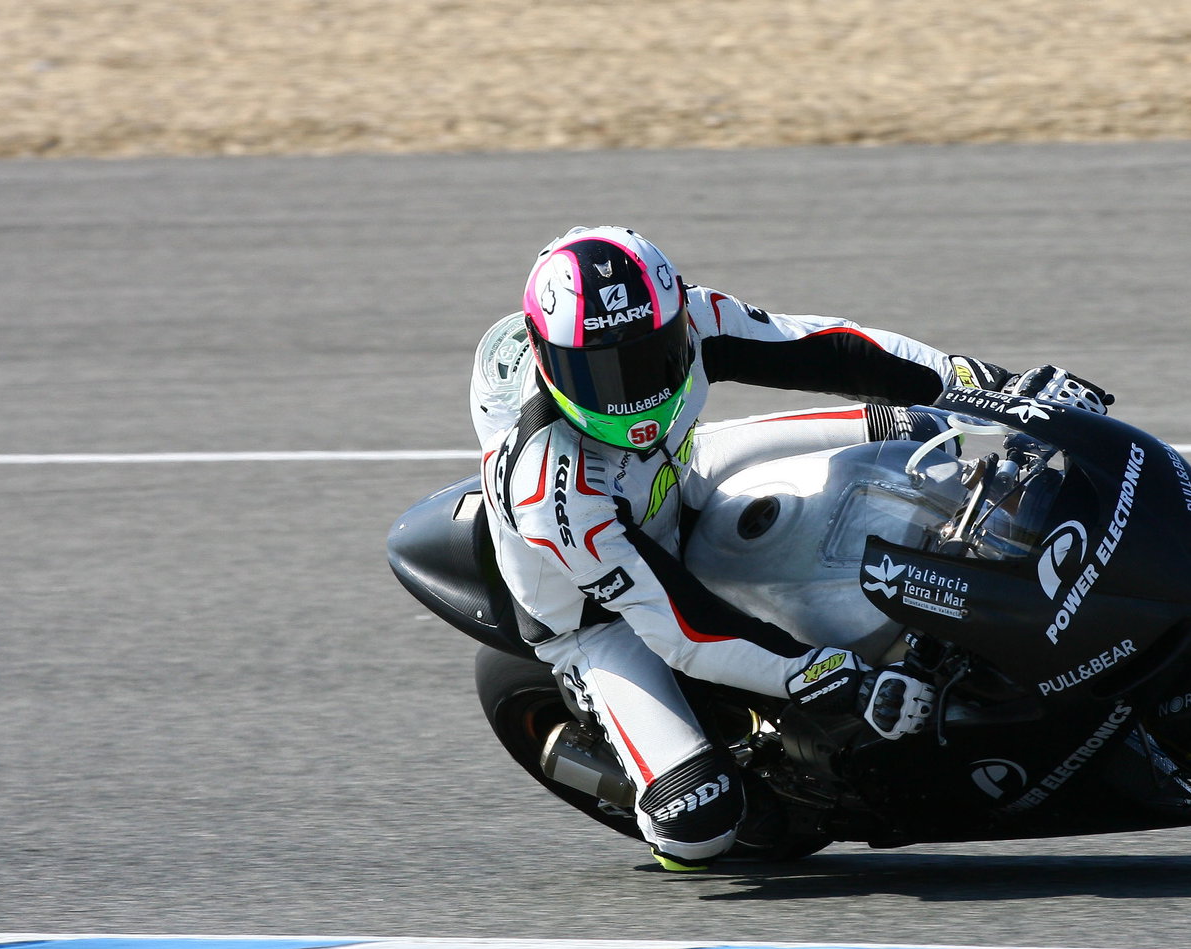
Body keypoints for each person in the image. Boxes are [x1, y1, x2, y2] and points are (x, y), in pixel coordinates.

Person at [470, 225, 1109, 871]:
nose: (630, 392)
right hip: (602, 615)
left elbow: (829, 348)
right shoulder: (551, 489)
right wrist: (826, 674)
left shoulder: (695, 319)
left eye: (647, 358)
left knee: (920, 425)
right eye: (598, 374)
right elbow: (682, 627)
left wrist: (995, 389)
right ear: (545, 357)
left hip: (679, 474)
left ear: (675, 320)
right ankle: (614, 739)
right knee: (696, 824)